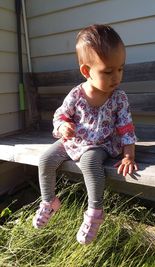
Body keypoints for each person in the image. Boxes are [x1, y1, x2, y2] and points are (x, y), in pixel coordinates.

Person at [32, 24, 138, 245]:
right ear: (86, 71)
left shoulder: (119, 98)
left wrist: (128, 155)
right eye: (108, 71)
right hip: (75, 140)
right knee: (45, 159)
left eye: (120, 69)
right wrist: (62, 126)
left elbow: (126, 127)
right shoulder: (76, 94)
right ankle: (49, 201)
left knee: (90, 163)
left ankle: (95, 212)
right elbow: (61, 114)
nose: (116, 77)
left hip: (102, 143)